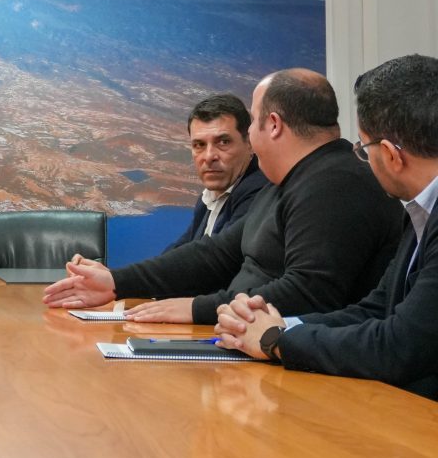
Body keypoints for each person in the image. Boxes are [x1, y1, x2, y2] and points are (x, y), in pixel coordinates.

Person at [43, 68, 403, 324]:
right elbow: (215, 254)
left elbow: (309, 294)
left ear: (273, 125)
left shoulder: (335, 184)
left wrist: (196, 309)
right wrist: (117, 281)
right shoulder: (291, 181)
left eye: (253, 122)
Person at [215, 55, 438, 399]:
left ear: (393, 156)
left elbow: (399, 346)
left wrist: (277, 341)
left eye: (364, 149)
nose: (363, 159)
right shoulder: (420, 210)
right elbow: (376, 308)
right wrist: (275, 325)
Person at [162, 93, 268, 251]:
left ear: (249, 143)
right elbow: (180, 251)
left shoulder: (259, 195)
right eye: (199, 145)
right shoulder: (208, 198)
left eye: (223, 142)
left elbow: (214, 261)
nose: (209, 156)